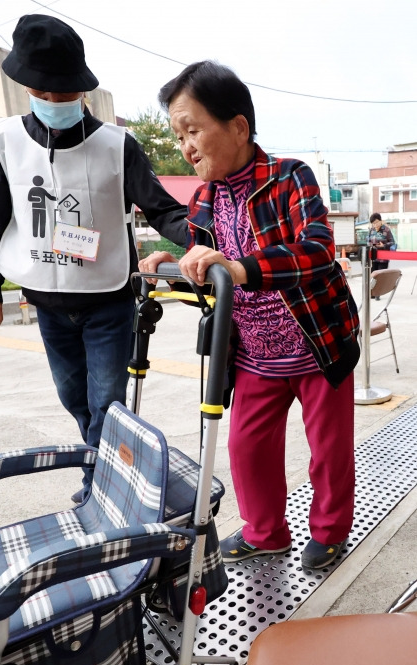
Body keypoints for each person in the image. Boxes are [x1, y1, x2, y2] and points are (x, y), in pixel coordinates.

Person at [139, 61, 360, 570]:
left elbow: (317, 251)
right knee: (246, 446)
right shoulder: (204, 198)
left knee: (328, 451)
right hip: (255, 352)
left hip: (316, 341)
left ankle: (329, 532)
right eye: (178, 136)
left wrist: (239, 269)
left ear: (238, 127)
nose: (186, 145)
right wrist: (171, 265)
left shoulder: (289, 176)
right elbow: (205, 264)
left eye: (193, 129)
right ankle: (266, 532)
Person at [0, 14, 187, 504]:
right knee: (75, 400)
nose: (55, 102)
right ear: (26, 87)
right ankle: (109, 463)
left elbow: (162, 207)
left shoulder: (116, 144)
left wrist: (207, 237)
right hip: (47, 301)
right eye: (45, 94)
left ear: (81, 90)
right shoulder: (5, 141)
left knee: (106, 402)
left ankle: (101, 484)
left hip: (107, 300)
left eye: (65, 94)